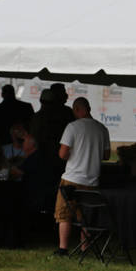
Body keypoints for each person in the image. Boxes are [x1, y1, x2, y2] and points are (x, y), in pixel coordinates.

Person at [53, 97, 110, 256]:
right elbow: (106, 155)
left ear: (77, 109)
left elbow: (62, 154)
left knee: (64, 214)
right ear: (89, 108)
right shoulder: (102, 129)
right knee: (86, 216)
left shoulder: (72, 127)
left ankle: (63, 248)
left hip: (72, 179)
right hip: (92, 180)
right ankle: (85, 248)